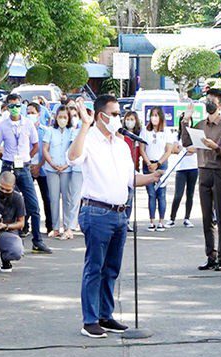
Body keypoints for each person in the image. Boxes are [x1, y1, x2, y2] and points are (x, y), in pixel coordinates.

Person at [67, 96, 162, 338]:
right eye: (116, 113)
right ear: (102, 116)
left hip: (120, 213)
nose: (120, 118)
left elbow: (129, 179)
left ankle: (105, 315)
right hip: (97, 211)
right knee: (94, 267)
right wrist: (84, 125)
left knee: (111, 269)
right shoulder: (88, 139)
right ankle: (90, 320)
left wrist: (151, 178)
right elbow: (72, 157)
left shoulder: (121, 145)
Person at [180, 100, 221, 271]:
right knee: (206, 217)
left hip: (218, 170)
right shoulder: (201, 124)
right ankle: (210, 255)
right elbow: (185, 142)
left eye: (214, 101)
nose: (210, 104)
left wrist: (216, 148)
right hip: (203, 170)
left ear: (220, 105)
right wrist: (186, 120)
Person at [0, 94, 51, 254]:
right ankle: (2, 239)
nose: (14, 109)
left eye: (17, 105)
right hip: (8, 165)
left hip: (24, 166)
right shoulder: (3, 125)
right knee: (4, 204)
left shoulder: (28, 123)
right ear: (7, 107)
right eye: (11, 106)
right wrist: (5, 157)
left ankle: (37, 240)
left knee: (33, 205)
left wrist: (27, 157)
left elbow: (35, 145)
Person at [42, 106, 75, 240]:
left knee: (67, 199)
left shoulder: (71, 131)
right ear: (56, 117)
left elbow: (73, 149)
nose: (62, 119)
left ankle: (67, 227)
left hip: (67, 168)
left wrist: (67, 164)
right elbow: (45, 149)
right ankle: (55, 228)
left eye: (65, 117)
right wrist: (52, 164)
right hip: (52, 168)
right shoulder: (50, 131)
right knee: (54, 199)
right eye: (60, 117)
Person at [139, 107, 173, 232]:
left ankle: (161, 221)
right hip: (148, 164)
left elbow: (168, 150)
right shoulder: (145, 131)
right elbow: (142, 149)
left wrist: (158, 164)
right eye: (152, 115)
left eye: (156, 115)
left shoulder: (166, 132)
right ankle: (152, 221)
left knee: (161, 194)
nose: (154, 118)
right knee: (151, 194)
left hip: (161, 165)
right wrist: (149, 163)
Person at [25, 102, 54, 236]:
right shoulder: (24, 129)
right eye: (28, 112)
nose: (30, 115)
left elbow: (47, 150)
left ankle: (50, 226)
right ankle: (24, 225)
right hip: (27, 167)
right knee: (27, 197)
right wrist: (30, 165)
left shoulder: (46, 131)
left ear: (39, 114)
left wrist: (39, 166)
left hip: (42, 168)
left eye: (32, 112)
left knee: (47, 198)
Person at [167, 134, 197, 228]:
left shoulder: (194, 136)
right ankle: (172, 218)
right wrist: (185, 150)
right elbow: (174, 149)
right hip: (181, 169)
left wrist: (183, 150)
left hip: (193, 168)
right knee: (178, 195)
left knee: (190, 194)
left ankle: (187, 218)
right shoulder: (177, 136)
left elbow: (195, 150)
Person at [121, 111, 143, 231]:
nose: (130, 121)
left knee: (131, 196)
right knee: (124, 196)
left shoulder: (137, 137)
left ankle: (127, 220)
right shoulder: (122, 136)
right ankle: (122, 220)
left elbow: (140, 152)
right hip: (123, 169)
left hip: (134, 169)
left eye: (132, 119)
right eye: (128, 119)